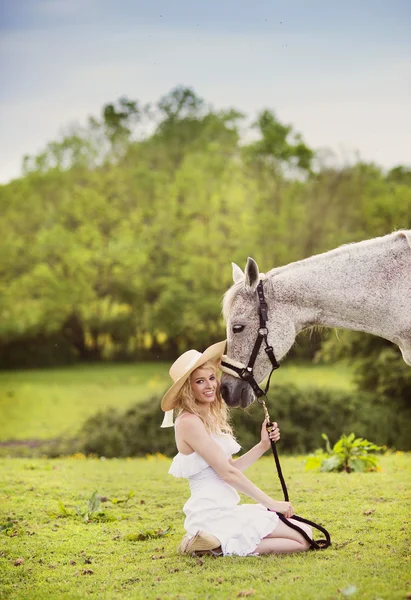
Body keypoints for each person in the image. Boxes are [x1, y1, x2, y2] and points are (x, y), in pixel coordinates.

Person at [161, 340, 313, 557]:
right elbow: (228, 474)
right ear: (188, 388)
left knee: (305, 533)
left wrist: (263, 446)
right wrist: (271, 503)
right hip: (211, 513)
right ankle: (217, 545)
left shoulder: (209, 419)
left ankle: (216, 545)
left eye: (212, 378)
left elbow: (231, 467)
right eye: (200, 382)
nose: (210, 386)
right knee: (302, 541)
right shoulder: (188, 422)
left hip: (227, 509)